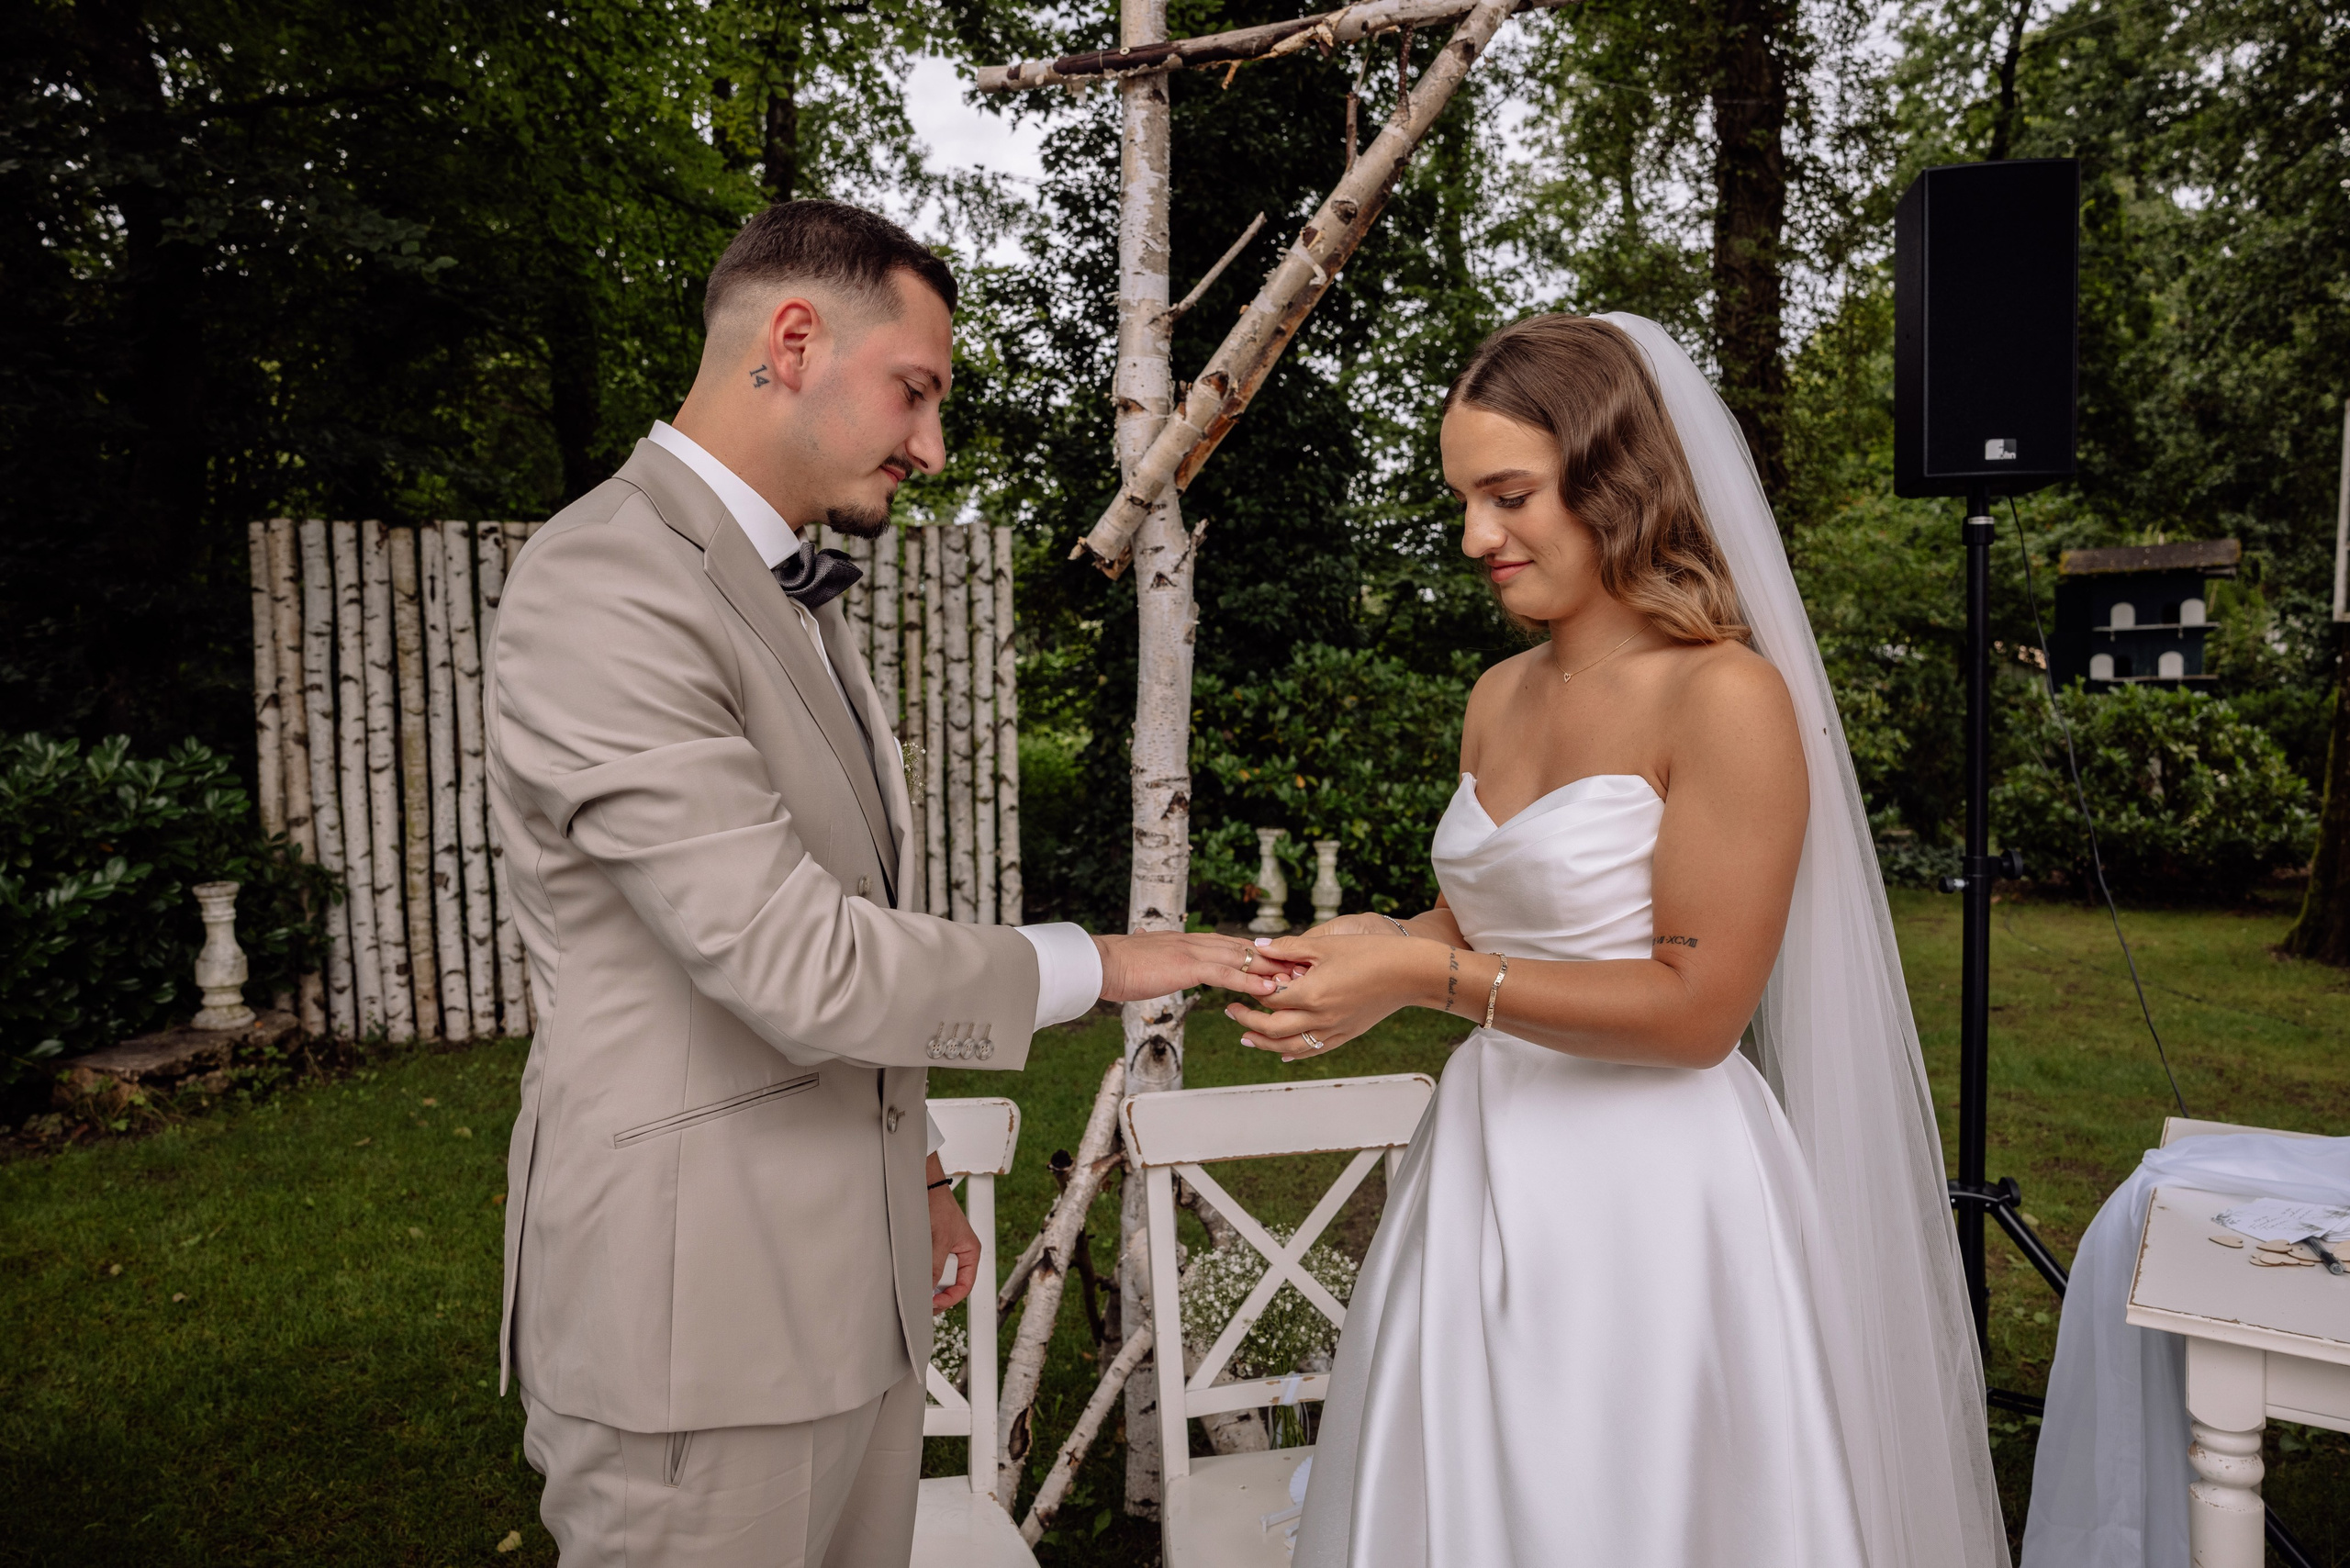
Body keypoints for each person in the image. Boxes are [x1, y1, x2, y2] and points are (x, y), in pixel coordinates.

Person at [485, 199, 1270, 1568]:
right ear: (793, 340)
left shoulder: (780, 585)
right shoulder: (605, 581)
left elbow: (833, 912)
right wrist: (1112, 960)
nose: (932, 446)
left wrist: (906, 1168)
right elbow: (795, 958)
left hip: (850, 1297)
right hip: (698, 1336)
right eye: (916, 392)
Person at [1229, 315, 2009, 1566]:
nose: (1477, 538)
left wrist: (1424, 974)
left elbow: (1697, 1008)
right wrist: (1366, 953)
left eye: (1509, 495)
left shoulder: (1727, 696)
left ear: (1616, 478)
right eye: (1464, 501)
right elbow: (1490, 919)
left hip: (1652, 1197)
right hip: (1486, 1164)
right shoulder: (1498, 695)